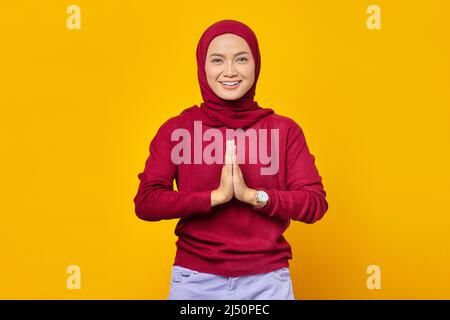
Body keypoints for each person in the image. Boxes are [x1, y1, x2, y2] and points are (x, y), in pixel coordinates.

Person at [133, 19, 328, 300]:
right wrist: (215, 197)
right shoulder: (177, 130)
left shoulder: (284, 131)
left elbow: (314, 204)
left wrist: (254, 196)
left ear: (256, 64)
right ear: (203, 66)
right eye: (217, 60)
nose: (230, 71)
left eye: (241, 59)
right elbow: (147, 202)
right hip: (195, 282)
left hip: (267, 282)